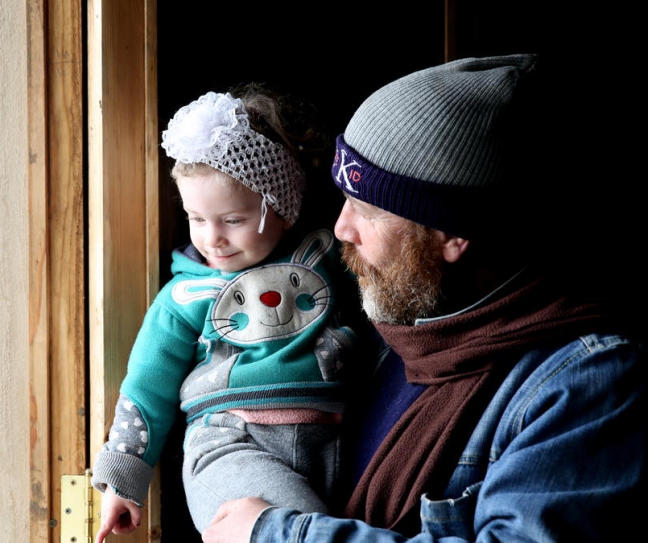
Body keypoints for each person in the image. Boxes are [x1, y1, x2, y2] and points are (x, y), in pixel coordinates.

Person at [202, 54, 646, 542]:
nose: (341, 228)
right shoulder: (391, 324)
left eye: (368, 210)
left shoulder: (588, 384)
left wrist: (278, 534)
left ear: (452, 235)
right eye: (344, 199)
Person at [91, 84, 373, 542]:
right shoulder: (184, 296)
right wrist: (124, 478)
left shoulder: (325, 259)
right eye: (196, 219)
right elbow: (146, 387)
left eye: (233, 220)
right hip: (231, 443)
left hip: (339, 439)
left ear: (282, 209)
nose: (212, 238)